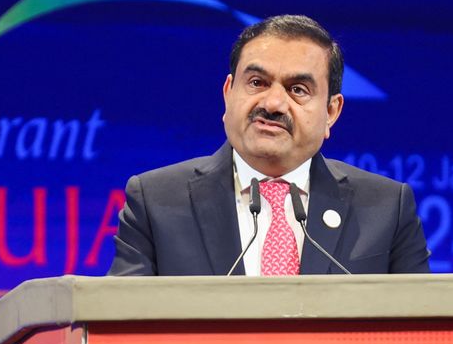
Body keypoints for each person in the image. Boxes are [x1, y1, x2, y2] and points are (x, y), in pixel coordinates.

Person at [108, 15, 430, 276]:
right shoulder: (156, 202)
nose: (274, 103)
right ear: (228, 93)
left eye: (298, 89)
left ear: (331, 111)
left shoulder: (387, 210)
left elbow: (422, 338)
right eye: (257, 83)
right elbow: (119, 332)